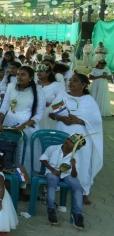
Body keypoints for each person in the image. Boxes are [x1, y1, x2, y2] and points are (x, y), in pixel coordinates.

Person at [48, 74, 103, 205]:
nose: (70, 82)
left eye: (75, 81)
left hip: (81, 139)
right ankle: (57, 186)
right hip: (62, 134)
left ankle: (84, 191)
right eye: (70, 80)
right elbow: (50, 113)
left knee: (82, 161)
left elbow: (97, 122)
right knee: (59, 158)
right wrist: (61, 118)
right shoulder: (62, 96)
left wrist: (79, 120)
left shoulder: (89, 100)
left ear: (83, 85)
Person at [0, 66, 45, 198]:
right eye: (18, 74)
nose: (19, 77)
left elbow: (39, 115)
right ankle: (3, 182)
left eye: (23, 74)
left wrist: (24, 125)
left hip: (26, 128)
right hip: (8, 125)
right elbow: (4, 106)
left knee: (22, 156)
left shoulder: (38, 91)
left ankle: (22, 185)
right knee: (7, 153)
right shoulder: (11, 87)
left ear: (30, 77)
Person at [39, 133, 86, 229]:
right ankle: (51, 209)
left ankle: (77, 214)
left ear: (75, 148)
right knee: (52, 183)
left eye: (72, 142)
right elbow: (43, 159)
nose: (67, 141)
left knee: (78, 187)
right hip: (52, 171)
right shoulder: (53, 148)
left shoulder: (75, 156)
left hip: (67, 174)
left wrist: (73, 166)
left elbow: (74, 175)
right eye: (68, 139)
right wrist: (52, 169)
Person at [36, 64, 65, 130]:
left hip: (49, 115)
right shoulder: (34, 84)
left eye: (41, 71)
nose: (38, 73)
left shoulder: (57, 85)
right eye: (37, 71)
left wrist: (49, 105)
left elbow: (62, 104)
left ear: (48, 73)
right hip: (34, 114)